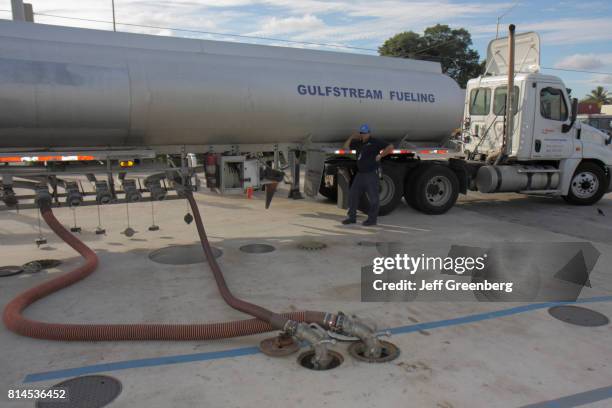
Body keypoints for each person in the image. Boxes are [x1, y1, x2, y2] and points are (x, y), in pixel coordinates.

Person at [341, 124, 394, 226]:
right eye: (361, 133)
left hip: (371, 173)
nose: (363, 135)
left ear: (369, 133)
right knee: (353, 195)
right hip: (360, 174)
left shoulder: (374, 141)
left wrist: (381, 155)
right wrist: (352, 137)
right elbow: (345, 147)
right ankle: (352, 218)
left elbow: (390, 147)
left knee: (373, 198)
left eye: (365, 133)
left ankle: (372, 220)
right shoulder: (358, 143)